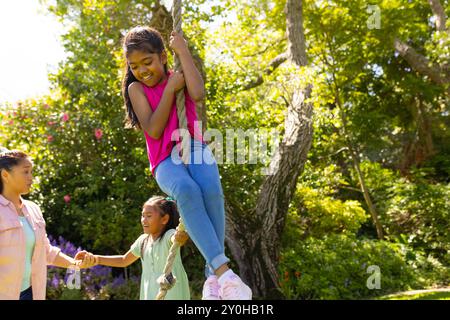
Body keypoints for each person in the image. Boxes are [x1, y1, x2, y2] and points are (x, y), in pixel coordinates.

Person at [120, 26, 252, 300]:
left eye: (148, 62)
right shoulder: (136, 89)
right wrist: (169, 90)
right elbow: (154, 130)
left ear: (163, 57)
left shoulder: (177, 75)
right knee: (187, 190)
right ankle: (224, 273)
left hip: (193, 145)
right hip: (164, 160)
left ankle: (213, 279)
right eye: (134, 66)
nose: (142, 70)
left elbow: (199, 92)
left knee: (212, 191)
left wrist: (183, 50)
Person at [0, 148, 96, 300]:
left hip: (31, 293)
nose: (31, 177)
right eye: (25, 172)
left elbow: (46, 251)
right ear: (5, 175)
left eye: (31, 172)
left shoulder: (33, 209)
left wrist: (75, 264)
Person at [76, 196, 190, 300]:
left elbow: (175, 238)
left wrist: (180, 237)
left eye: (149, 216)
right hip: (149, 295)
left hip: (172, 294)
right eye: (143, 215)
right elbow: (124, 260)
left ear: (164, 219)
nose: (144, 220)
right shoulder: (143, 241)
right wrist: (96, 259)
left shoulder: (168, 235)